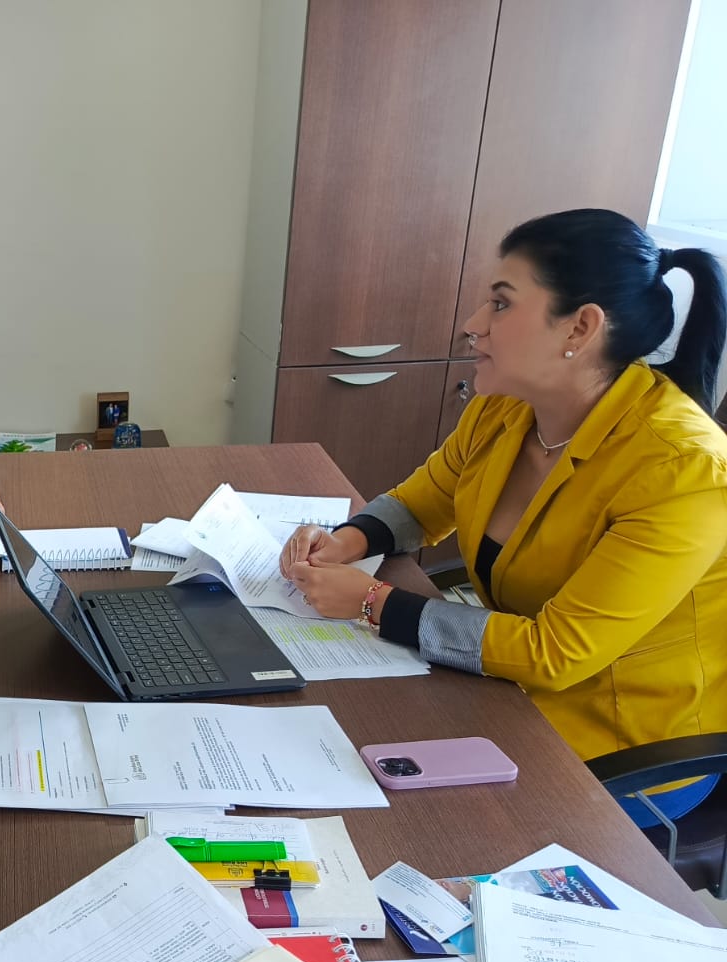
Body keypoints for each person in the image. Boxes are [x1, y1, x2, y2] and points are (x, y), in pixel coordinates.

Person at [281, 208, 727, 828]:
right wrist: (349, 540)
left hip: (617, 749)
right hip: (508, 689)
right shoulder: (508, 409)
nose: (473, 324)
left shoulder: (683, 470)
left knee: (387, 813)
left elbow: (557, 654)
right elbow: (421, 502)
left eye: (500, 304)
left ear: (581, 327)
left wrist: (372, 601)